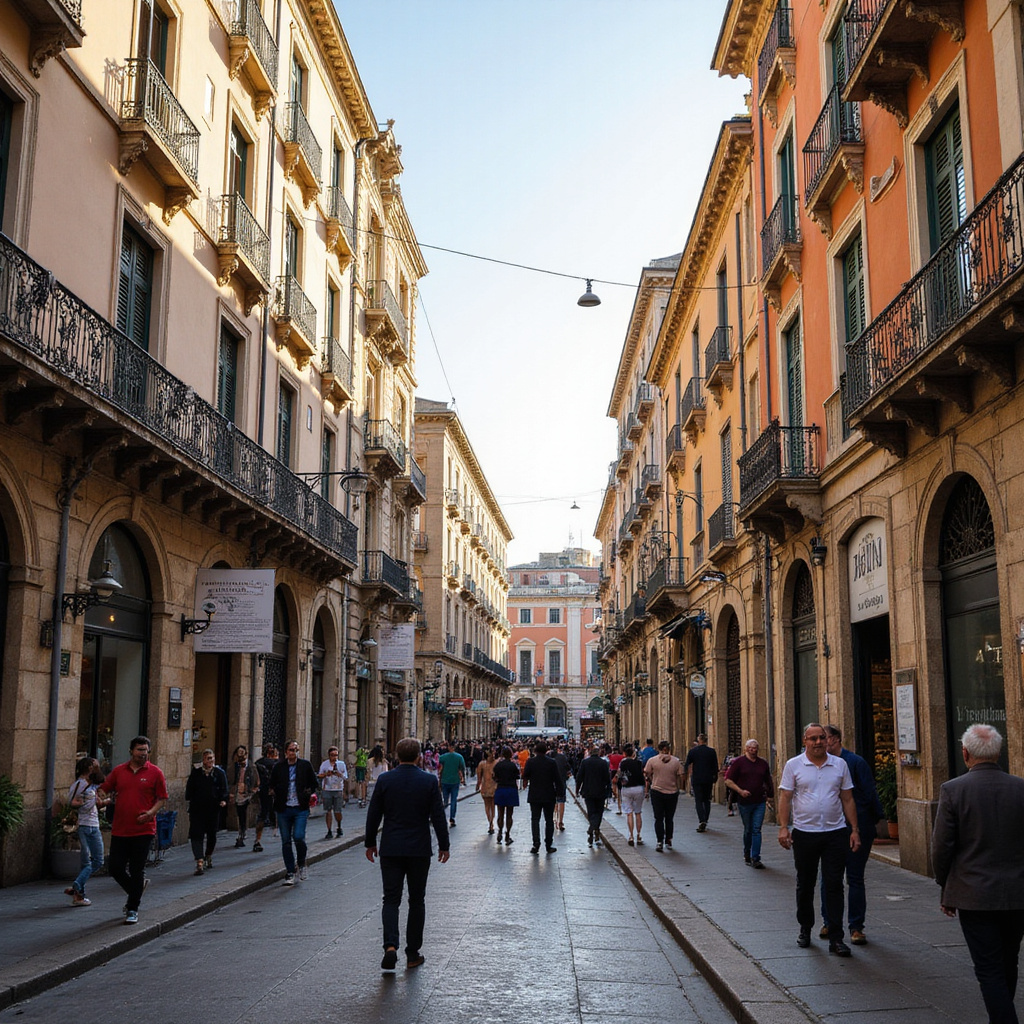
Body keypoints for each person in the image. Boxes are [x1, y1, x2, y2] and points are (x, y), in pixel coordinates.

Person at [932, 723, 1024, 1024]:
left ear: (965, 753)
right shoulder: (1020, 788)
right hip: (1017, 892)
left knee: (988, 968)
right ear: (998, 753)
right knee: (1008, 961)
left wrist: (945, 887)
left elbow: (941, 847)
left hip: (974, 894)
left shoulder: (953, 790)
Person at [364, 737, 450, 972]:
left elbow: (374, 814)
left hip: (391, 847)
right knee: (417, 900)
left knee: (391, 899)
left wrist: (370, 842)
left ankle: (390, 946)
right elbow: (438, 816)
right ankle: (412, 953)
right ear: (419, 756)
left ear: (397, 756)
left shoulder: (385, 780)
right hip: (419, 849)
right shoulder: (428, 781)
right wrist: (444, 845)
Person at [777, 722, 860, 957]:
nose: (818, 742)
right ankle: (805, 928)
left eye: (822, 737)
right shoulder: (794, 765)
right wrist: (783, 828)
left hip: (835, 833)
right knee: (805, 884)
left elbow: (847, 799)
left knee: (834, 885)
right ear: (805, 741)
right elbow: (785, 797)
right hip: (805, 833)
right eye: (813, 738)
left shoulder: (839, 765)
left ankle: (836, 937)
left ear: (827, 740)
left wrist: (854, 829)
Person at [819, 725, 884, 944]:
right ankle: (829, 922)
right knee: (829, 878)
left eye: (824, 738)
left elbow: (869, 792)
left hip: (856, 826)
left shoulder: (855, 762)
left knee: (855, 878)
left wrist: (870, 821)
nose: (820, 742)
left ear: (835, 739)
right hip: (830, 829)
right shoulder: (822, 765)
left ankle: (856, 927)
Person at [98, 735, 168, 925]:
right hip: (120, 828)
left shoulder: (156, 773)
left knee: (137, 869)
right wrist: (99, 797)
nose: (143, 753)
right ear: (131, 751)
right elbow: (104, 788)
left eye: (145, 750)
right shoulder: (119, 771)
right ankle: (136, 890)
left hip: (144, 829)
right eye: (139, 750)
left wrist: (151, 813)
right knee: (115, 868)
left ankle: (132, 908)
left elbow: (162, 798)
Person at [269, 740, 319, 885]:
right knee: (286, 841)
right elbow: (271, 784)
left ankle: (301, 863)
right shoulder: (279, 767)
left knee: (298, 836)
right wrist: (275, 792)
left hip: (300, 808)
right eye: (291, 750)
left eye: (296, 750)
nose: (294, 753)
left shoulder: (305, 765)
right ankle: (290, 871)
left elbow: (314, 783)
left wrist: (308, 793)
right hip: (284, 808)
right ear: (286, 752)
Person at [724, 738, 774, 868]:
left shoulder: (763, 763)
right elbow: (728, 780)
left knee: (756, 829)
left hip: (759, 801)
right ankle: (747, 852)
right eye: (750, 748)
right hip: (744, 802)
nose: (753, 750)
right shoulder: (738, 763)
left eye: (755, 748)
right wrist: (740, 791)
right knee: (748, 829)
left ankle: (755, 857)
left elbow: (768, 779)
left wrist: (770, 795)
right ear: (746, 749)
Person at [65, 756, 105, 906]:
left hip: (93, 824)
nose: (98, 767)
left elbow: (95, 804)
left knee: (92, 862)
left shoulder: (90, 785)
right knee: (92, 861)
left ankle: (78, 891)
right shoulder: (80, 784)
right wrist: (82, 803)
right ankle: (78, 889)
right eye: (96, 765)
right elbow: (72, 802)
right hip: (86, 825)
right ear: (89, 768)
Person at [185, 748, 228, 875]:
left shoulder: (219, 773)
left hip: (213, 809)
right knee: (196, 834)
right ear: (203, 760)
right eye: (208, 758)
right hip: (197, 809)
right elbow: (189, 789)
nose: (211, 761)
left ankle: (208, 854)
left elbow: (224, 788)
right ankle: (199, 860)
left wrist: (223, 800)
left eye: (212, 758)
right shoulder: (196, 773)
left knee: (211, 834)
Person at [644, 740, 686, 852]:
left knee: (658, 818)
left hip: (657, 791)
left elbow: (647, 773)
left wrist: (652, 780)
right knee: (669, 818)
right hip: (672, 792)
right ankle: (668, 839)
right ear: (668, 749)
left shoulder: (652, 760)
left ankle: (659, 841)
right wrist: (679, 787)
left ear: (659, 749)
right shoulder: (676, 761)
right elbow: (682, 776)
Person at [522, 741, 560, 854]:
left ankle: (536, 844)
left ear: (535, 751)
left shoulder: (530, 761)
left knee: (535, 820)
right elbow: (557, 779)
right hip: (549, 794)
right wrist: (560, 793)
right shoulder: (552, 762)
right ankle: (548, 844)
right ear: (546, 751)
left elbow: (525, 775)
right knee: (549, 820)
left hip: (535, 794)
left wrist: (526, 782)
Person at [576, 743, 612, 848]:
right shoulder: (603, 763)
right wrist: (608, 790)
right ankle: (595, 829)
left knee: (591, 812)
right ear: (599, 753)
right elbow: (607, 778)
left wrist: (577, 790)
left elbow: (579, 777)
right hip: (600, 791)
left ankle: (592, 828)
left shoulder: (585, 762)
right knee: (599, 812)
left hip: (588, 791)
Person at [684, 733, 719, 832]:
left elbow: (687, 764)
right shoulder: (711, 751)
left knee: (698, 800)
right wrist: (715, 778)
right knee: (707, 800)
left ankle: (702, 820)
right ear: (706, 741)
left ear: (698, 740)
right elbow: (715, 766)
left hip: (697, 778)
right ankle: (706, 819)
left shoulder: (693, 751)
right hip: (708, 779)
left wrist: (686, 775)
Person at [228, 745, 260, 849]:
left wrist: (251, 791)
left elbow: (256, 781)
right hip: (238, 793)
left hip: (248, 794)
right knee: (240, 813)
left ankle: (243, 831)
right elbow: (231, 780)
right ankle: (242, 831)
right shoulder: (234, 767)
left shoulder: (251, 767)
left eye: (242, 753)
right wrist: (232, 791)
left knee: (244, 813)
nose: (240, 756)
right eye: (238, 754)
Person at [616, 743, 646, 846]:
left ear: (624, 753)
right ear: (633, 753)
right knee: (638, 813)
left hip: (627, 789)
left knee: (629, 813)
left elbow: (619, 775)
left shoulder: (622, 763)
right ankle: (639, 835)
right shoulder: (639, 763)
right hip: (638, 788)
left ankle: (631, 836)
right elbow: (642, 775)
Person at [317, 746, 348, 839]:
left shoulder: (341, 764)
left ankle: (339, 826)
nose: (334, 757)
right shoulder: (325, 764)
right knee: (328, 811)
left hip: (338, 789)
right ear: (329, 755)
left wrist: (339, 774)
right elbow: (319, 775)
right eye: (332, 755)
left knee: (338, 811)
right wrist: (326, 774)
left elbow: (346, 777)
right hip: (327, 789)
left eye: (336, 755)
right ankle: (329, 830)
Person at [492, 745, 520, 844]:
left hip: (501, 789)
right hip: (511, 789)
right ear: (511, 755)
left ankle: (499, 831)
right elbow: (517, 776)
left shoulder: (498, 765)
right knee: (509, 814)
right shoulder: (513, 765)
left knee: (500, 813)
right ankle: (507, 835)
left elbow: (494, 776)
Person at [253, 743, 278, 853]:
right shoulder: (276, 763)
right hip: (274, 791)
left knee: (262, 815)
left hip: (262, 791)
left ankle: (257, 840)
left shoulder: (258, 763)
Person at [437, 741, 466, 827]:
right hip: (455, 781)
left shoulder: (443, 757)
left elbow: (439, 764)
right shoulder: (459, 757)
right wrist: (462, 777)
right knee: (453, 800)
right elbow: (462, 767)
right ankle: (452, 818)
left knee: (445, 800)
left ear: (449, 747)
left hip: (445, 780)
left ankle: (442, 816)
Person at [475, 745, 498, 835]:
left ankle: (490, 822)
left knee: (488, 806)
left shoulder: (482, 764)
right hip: (493, 787)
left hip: (487, 787)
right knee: (491, 806)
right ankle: (491, 822)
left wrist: (478, 785)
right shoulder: (496, 763)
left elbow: (479, 777)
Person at [550, 743, 571, 831]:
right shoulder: (562, 757)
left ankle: (554, 818)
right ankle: (560, 821)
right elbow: (568, 769)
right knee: (561, 801)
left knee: (553, 801)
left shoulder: (548, 758)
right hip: (561, 782)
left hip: (551, 783)